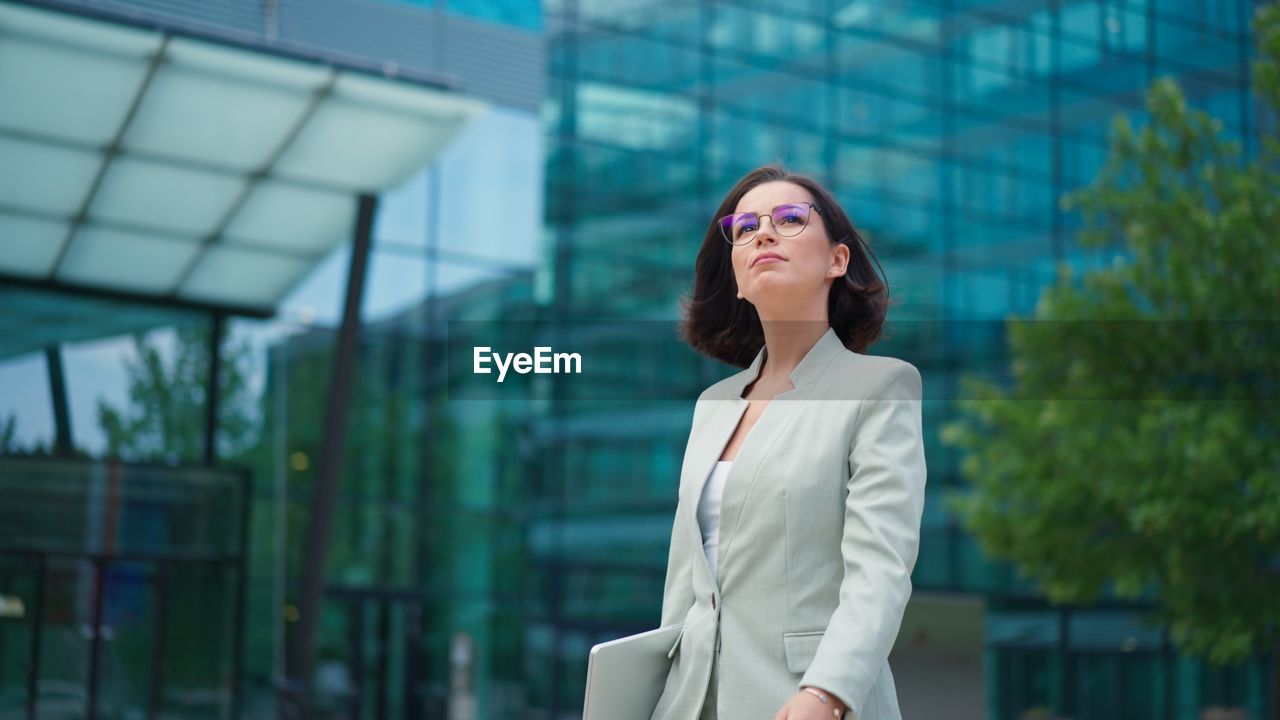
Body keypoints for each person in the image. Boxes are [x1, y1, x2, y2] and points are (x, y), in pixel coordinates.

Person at [650, 163, 927, 720]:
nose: (763, 234)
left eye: (790, 219)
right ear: (736, 271)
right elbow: (685, 589)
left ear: (837, 260)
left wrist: (827, 694)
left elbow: (880, 572)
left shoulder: (880, 387)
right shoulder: (713, 407)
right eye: (745, 227)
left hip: (809, 702)